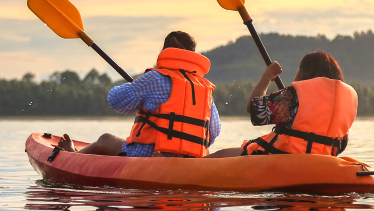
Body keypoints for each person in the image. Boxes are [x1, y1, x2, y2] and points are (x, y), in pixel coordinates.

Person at [58, 31, 220, 158]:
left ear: (165, 51)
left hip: (146, 157)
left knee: (105, 139)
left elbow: (116, 102)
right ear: (192, 55)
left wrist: (136, 85)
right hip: (190, 161)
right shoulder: (205, 89)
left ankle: (72, 155)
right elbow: (213, 133)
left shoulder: (154, 78)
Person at [206, 50, 357, 158]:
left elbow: (255, 110)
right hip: (323, 162)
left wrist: (267, 76)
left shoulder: (294, 95)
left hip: (283, 159)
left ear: (305, 73)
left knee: (221, 155)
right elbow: (341, 145)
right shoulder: (348, 100)